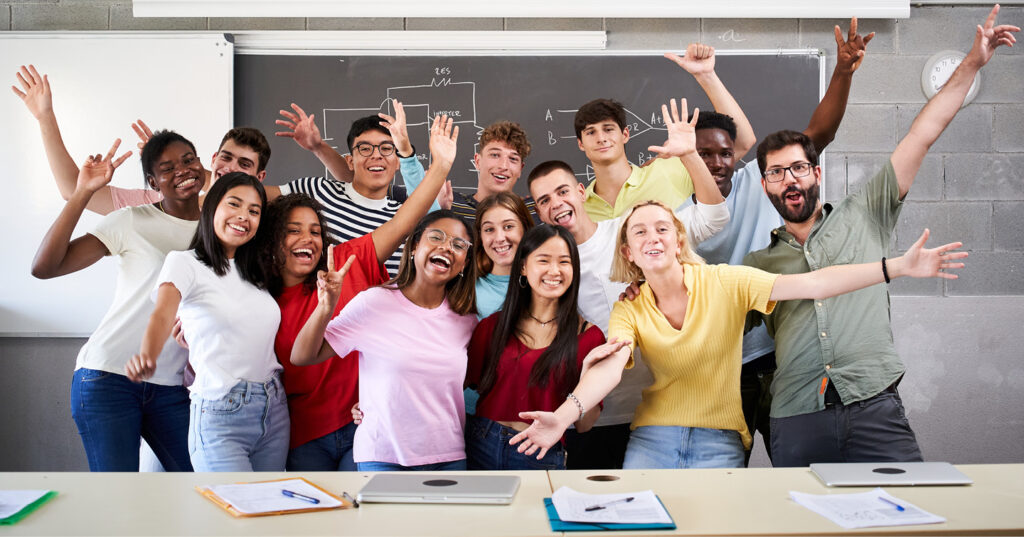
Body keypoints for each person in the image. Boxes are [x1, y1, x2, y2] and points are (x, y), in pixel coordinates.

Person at [744, 6, 1018, 467]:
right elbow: (705, 319)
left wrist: (971, 62)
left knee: (907, 513)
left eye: (797, 168)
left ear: (815, 172)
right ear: (766, 184)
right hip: (795, 414)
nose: (789, 180)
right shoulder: (757, 265)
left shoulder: (865, 211)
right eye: (775, 173)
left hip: (874, 404)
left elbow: (923, 133)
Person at [508, 200, 967, 468]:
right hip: (651, 440)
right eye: (640, 231)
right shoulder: (630, 305)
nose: (654, 236)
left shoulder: (726, 282)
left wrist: (898, 268)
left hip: (719, 440)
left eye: (662, 228)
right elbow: (609, 365)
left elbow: (813, 284)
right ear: (628, 251)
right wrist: (566, 415)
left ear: (678, 239)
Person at [672, 21, 872, 465]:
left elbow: (817, 136)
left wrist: (842, 72)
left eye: (724, 153)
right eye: (703, 154)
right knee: (727, 468)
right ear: (685, 156)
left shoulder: (760, 182)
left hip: (783, 355)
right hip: (723, 365)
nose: (717, 162)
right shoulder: (675, 219)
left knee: (800, 466)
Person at [526, 97, 729, 469]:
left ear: (579, 190)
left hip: (658, 410)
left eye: (562, 191)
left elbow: (712, 219)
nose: (556, 203)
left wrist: (689, 155)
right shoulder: (547, 268)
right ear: (537, 212)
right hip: (593, 414)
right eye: (543, 200)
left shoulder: (627, 231)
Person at [263, 114, 457, 471]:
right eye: (292, 231)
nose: (306, 239)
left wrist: (440, 166)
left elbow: (405, 222)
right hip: (302, 430)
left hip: (363, 419)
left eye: (315, 232)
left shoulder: (349, 261)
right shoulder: (260, 295)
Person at [31, 132, 202, 472]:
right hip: (108, 377)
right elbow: (45, 267)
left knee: (200, 482)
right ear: (153, 181)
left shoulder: (219, 228)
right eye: (167, 168)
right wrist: (82, 193)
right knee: (118, 498)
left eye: (188, 160)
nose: (182, 170)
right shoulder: (132, 220)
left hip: (170, 386)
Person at [125, 172, 287, 472]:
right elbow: (163, 312)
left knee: (269, 511)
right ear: (211, 207)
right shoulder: (185, 262)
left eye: (254, 211)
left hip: (274, 409)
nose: (244, 216)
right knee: (233, 511)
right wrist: (148, 354)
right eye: (234, 205)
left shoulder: (258, 270)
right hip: (221, 409)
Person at [12, 64, 271, 215]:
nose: (231, 167)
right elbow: (72, 190)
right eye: (226, 157)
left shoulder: (258, 217)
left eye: (245, 164)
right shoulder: (157, 207)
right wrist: (45, 117)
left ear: (259, 178)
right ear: (213, 159)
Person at [465, 224, 611, 470]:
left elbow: (585, 425)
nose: (554, 271)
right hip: (481, 444)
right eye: (543, 260)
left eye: (564, 262)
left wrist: (587, 375)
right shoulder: (492, 327)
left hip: (540, 451)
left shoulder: (589, 338)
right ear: (523, 266)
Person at [270, 102, 430, 275]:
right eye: (365, 149)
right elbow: (253, 198)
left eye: (386, 148)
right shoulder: (317, 190)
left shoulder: (406, 219)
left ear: (398, 162)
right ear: (350, 161)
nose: (376, 155)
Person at [444, 120, 537, 226]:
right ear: (478, 161)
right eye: (495, 155)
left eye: (513, 158)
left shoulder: (535, 209)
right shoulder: (450, 204)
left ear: (520, 169)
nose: (503, 166)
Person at [473, 192, 536, 319]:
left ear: (525, 229)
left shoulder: (544, 281)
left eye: (508, 227)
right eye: (489, 229)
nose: (499, 238)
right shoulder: (467, 288)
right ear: (480, 236)